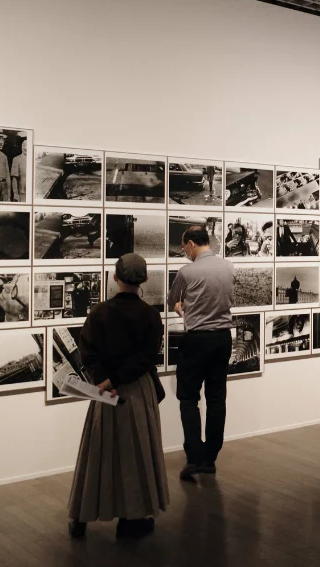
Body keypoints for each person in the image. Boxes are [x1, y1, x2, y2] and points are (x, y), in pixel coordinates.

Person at [67, 253, 168, 540]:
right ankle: (131, 518)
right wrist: (118, 378)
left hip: (104, 391)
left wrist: (104, 379)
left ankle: (81, 517)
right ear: (145, 280)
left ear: (115, 277)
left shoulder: (99, 312)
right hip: (136, 390)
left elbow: (88, 351)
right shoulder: (150, 314)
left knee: (97, 453)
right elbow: (147, 357)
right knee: (136, 454)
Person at [167, 225, 234, 479]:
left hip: (196, 340)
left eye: (184, 247)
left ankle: (194, 457)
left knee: (188, 398)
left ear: (192, 244)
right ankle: (210, 456)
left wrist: (181, 305)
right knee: (217, 398)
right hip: (222, 339)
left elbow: (172, 300)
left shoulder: (186, 272)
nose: (184, 252)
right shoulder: (229, 267)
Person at [10, 132, 28, 202]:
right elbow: (14, 179)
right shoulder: (16, 159)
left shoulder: (35, 159)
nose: (25, 148)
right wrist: (15, 194)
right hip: (22, 193)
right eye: (23, 145)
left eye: (28, 145)